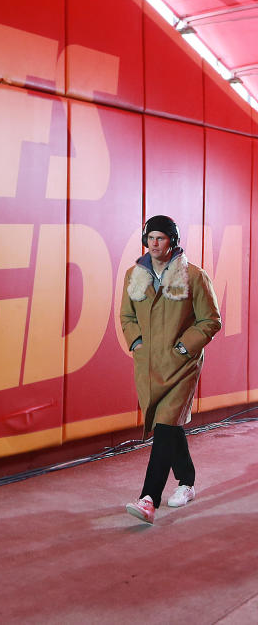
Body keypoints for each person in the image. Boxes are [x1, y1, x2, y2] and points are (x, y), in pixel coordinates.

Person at [120, 214, 221, 524]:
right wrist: (137, 344)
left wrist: (183, 348)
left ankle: (149, 498)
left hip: (182, 365)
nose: (154, 242)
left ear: (173, 242)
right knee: (170, 425)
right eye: (150, 237)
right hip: (149, 365)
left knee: (164, 426)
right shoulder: (134, 275)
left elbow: (210, 320)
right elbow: (127, 317)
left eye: (160, 237)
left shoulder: (194, 276)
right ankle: (187, 481)